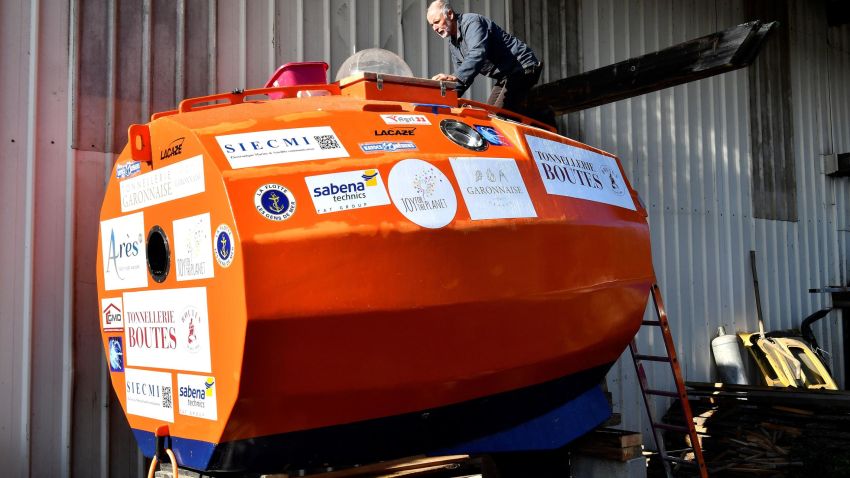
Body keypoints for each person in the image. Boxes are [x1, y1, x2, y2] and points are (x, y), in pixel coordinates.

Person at [426, 0, 547, 122]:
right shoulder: (453, 44)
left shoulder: (471, 23)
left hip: (522, 66)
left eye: (436, 22)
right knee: (488, 115)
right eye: (432, 25)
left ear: (450, 14)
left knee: (496, 118)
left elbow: (478, 53)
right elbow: (462, 79)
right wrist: (443, 101)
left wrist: (455, 76)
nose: (435, 28)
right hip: (507, 76)